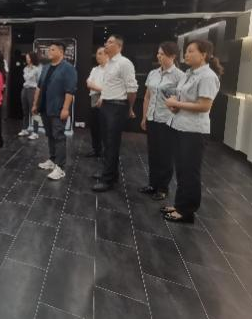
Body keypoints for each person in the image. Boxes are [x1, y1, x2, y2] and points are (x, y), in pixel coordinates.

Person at [161, 40, 222, 223]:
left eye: (190, 51)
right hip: (180, 125)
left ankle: (187, 211)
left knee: (190, 171)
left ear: (203, 55)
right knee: (181, 170)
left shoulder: (208, 76)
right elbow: (183, 98)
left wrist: (176, 104)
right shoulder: (188, 73)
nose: (186, 55)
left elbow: (204, 106)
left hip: (194, 131)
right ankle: (180, 205)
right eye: (186, 51)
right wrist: (174, 104)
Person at [139, 42, 185, 201]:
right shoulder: (153, 73)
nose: (158, 56)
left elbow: (181, 100)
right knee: (153, 153)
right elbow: (147, 96)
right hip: (152, 118)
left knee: (166, 155)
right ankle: (152, 184)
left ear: (172, 56)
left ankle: (163, 188)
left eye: (162, 54)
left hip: (167, 120)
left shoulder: (179, 76)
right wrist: (144, 117)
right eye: (158, 53)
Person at [93, 35, 138, 192]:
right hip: (106, 105)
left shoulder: (124, 63)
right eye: (106, 42)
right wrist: (103, 98)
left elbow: (132, 89)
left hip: (118, 106)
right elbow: (108, 86)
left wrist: (129, 108)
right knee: (106, 142)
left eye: (110, 42)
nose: (106, 44)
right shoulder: (109, 64)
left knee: (112, 143)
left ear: (119, 46)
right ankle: (111, 174)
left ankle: (107, 180)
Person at [32, 42, 77, 181]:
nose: (49, 51)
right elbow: (39, 87)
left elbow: (70, 90)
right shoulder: (46, 67)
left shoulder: (68, 68)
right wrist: (35, 104)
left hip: (58, 108)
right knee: (50, 135)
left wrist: (65, 108)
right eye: (48, 49)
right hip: (45, 107)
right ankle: (52, 160)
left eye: (52, 49)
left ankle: (60, 167)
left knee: (59, 136)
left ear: (61, 52)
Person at [85, 46, 107, 157]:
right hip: (94, 98)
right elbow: (88, 83)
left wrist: (99, 89)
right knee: (94, 126)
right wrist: (101, 88)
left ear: (107, 55)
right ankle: (96, 150)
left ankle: (105, 151)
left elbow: (109, 87)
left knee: (104, 127)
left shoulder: (110, 70)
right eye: (97, 53)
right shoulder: (95, 69)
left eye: (100, 53)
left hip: (105, 99)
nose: (97, 56)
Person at [18, 51, 42, 140]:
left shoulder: (37, 68)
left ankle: (35, 132)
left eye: (28, 57)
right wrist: (29, 70)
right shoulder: (25, 68)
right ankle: (25, 129)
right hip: (25, 89)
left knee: (34, 111)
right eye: (26, 58)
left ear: (32, 58)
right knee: (25, 110)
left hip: (33, 90)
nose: (27, 59)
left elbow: (39, 81)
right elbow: (26, 78)